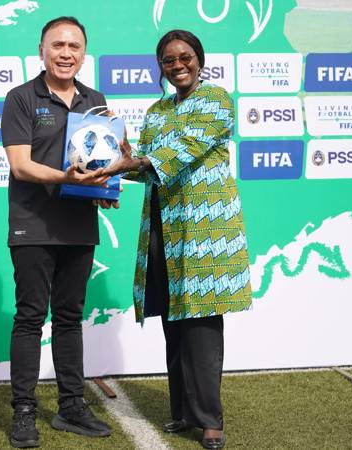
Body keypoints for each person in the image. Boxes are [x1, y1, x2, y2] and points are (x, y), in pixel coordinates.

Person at [103, 30, 252, 450]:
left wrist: (138, 160)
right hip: (162, 227)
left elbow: (185, 148)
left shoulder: (217, 99)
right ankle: (184, 412)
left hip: (205, 232)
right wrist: (114, 161)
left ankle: (211, 421)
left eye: (185, 57)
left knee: (201, 326)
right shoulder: (156, 110)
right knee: (174, 324)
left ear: (199, 60)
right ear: (161, 67)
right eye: (168, 60)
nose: (178, 65)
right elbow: (143, 167)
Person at [1, 15, 112, 449]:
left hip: (80, 225)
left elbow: (100, 164)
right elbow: (20, 164)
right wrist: (69, 179)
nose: (66, 53)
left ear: (84, 53)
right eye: (57, 45)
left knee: (70, 319)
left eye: (75, 47)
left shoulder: (96, 99)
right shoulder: (21, 97)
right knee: (30, 317)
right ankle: (24, 411)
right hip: (33, 224)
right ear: (42, 50)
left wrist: (105, 187)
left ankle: (71, 406)